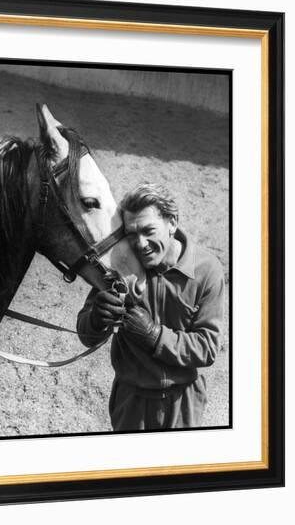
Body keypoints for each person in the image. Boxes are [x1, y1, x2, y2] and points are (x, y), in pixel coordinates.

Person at [76, 182, 225, 431]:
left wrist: (155, 336)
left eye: (148, 231)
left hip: (183, 402)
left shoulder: (206, 270)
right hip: (131, 401)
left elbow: (208, 348)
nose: (140, 244)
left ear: (172, 223)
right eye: (131, 234)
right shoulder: (120, 264)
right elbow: (86, 335)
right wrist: (96, 318)